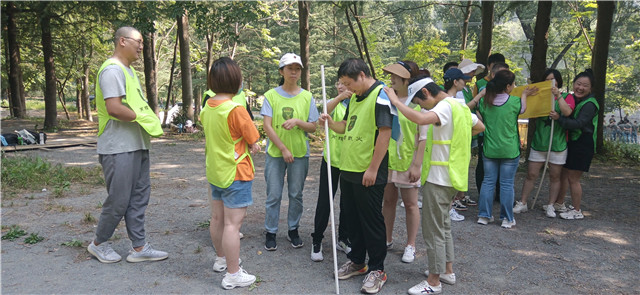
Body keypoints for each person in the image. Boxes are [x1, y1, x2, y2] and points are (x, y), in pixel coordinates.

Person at [384, 76, 484, 295]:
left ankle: (434, 281)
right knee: (444, 225)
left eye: (420, 103)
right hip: (451, 176)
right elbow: (480, 126)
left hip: (439, 178)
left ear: (427, 93)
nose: (420, 107)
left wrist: (396, 101)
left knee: (433, 230)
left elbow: (419, 120)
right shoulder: (459, 106)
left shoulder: (445, 107)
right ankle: (447, 271)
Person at [88, 26, 168, 263]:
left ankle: (139, 247)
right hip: (118, 147)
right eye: (138, 42)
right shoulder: (112, 70)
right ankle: (98, 243)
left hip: (137, 143)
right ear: (122, 41)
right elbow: (113, 108)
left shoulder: (129, 72)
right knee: (119, 199)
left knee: (139, 197)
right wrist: (143, 118)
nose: (141, 47)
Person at [319, 58, 394, 294]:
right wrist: (331, 123)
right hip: (348, 169)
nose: (347, 89)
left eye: (349, 84)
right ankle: (358, 262)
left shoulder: (381, 95)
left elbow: (385, 132)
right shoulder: (356, 98)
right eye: (343, 85)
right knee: (352, 220)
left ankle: (377, 269)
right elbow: (346, 126)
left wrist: (373, 168)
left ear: (362, 75)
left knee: (371, 221)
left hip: (368, 171)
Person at [200, 57, 260, 289]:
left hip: (215, 171)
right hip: (236, 172)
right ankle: (233, 274)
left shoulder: (207, 108)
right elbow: (253, 138)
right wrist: (253, 144)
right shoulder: (236, 109)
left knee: (217, 219)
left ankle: (222, 259)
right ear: (235, 80)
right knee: (233, 226)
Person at [261, 53, 318, 251]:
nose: (294, 72)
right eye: (289, 68)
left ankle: (293, 229)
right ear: (281, 71)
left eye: (297, 68)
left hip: (300, 154)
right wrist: (283, 148)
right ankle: (271, 231)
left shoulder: (307, 96)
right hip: (276, 154)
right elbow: (267, 126)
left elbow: (313, 127)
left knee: (296, 194)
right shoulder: (271, 95)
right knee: (274, 194)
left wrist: (298, 122)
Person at [476, 70, 537, 229]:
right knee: (506, 184)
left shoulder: (484, 102)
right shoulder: (515, 102)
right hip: (510, 150)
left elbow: (479, 115)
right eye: (513, 84)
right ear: (508, 86)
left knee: (488, 182)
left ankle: (484, 215)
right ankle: (507, 219)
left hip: (490, 149)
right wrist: (524, 94)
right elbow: (523, 109)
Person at [513, 69, 575, 218]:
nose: (551, 82)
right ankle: (523, 202)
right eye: (548, 80)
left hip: (557, 144)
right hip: (539, 142)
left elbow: (567, 112)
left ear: (559, 81)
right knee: (531, 174)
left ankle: (551, 205)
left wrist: (557, 97)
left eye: (553, 79)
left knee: (555, 176)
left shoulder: (567, 97)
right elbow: (523, 110)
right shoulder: (539, 96)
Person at [380, 60, 425, 263]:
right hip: (388, 159)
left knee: (410, 204)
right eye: (391, 76)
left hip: (408, 160)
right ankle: (386, 239)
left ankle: (411, 245)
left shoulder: (418, 102)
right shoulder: (386, 99)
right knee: (388, 201)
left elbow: (423, 136)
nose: (392, 79)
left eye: (396, 76)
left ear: (407, 79)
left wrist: (417, 164)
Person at [310, 81, 353, 262]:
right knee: (325, 200)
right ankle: (317, 240)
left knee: (347, 202)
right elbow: (323, 115)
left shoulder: (356, 102)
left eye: (346, 83)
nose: (342, 86)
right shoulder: (334, 103)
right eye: (340, 83)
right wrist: (340, 97)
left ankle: (343, 239)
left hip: (349, 161)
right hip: (331, 159)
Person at [551, 69, 599, 220]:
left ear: (591, 88)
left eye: (585, 85)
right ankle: (559, 203)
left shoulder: (590, 104)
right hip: (573, 142)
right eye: (578, 84)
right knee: (565, 174)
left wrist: (559, 118)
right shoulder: (574, 99)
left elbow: (579, 123)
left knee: (574, 178)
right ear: (573, 84)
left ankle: (577, 210)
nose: (580, 88)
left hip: (583, 144)